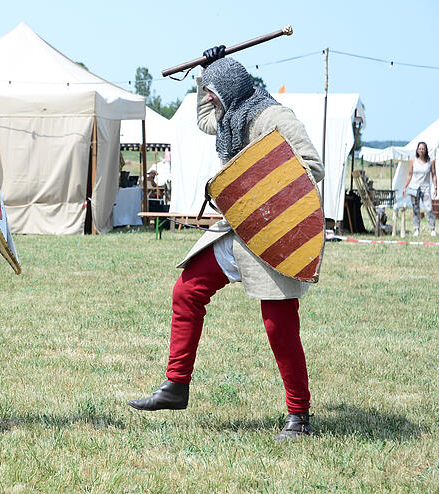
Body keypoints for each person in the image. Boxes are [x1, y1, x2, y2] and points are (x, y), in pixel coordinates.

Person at [128, 49, 325, 441]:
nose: (211, 102)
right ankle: (176, 385)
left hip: (271, 232)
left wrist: (257, 184)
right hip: (237, 229)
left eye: (215, 94)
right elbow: (204, 117)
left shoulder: (272, 116)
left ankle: (299, 415)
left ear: (231, 92)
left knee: (279, 325)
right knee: (188, 290)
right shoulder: (229, 116)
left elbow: (310, 165)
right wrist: (206, 74)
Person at [401, 141, 436, 236]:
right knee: (416, 209)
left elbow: (434, 175)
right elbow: (409, 174)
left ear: (426, 150)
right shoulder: (413, 161)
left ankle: (432, 229)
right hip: (414, 188)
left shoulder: (431, 161)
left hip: (426, 188)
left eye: (423, 149)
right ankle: (417, 229)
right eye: (420, 148)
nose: (421, 150)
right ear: (417, 150)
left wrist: (435, 187)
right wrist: (405, 187)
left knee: (428, 208)